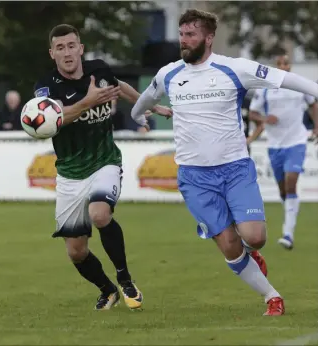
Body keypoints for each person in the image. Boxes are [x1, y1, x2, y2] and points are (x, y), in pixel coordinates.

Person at [131, 9, 318, 316]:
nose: (184, 41)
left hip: (234, 169)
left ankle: (250, 253)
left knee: (255, 237)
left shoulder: (235, 68)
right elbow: (147, 99)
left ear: (208, 37)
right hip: (194, 177)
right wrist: (139, 116)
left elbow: (285, 79)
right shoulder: (169, 74)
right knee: (229, 243)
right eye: (181, 34)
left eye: (191, 35)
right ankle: (272, 297)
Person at [34, 24, 171, 311]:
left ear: (80, 48)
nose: (67, 52)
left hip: (104, 161)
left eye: (72, 45)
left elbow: (119, 87)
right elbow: (56, 118)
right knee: (76, 251)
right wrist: (88, 101)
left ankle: (125, 279)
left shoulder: (100, 70)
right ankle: (107, 289)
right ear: (52, 53)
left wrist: (150, 105)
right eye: (60, 48)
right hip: (70, 173)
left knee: (100, 213)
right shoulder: (46, 88)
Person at [248, 52, 318, 250]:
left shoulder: (299, 86)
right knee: (283, 190)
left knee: (291, 182)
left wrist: (316, 126)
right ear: (275, 66)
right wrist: (263, 119)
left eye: (286, 63)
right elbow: (253, 113)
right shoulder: (266, 89)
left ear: (290, 66)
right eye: (279, 63)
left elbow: (314, 105)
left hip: (296, 141)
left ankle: (288, 233)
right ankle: (291, 210)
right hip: (275, 145)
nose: (283, 66)